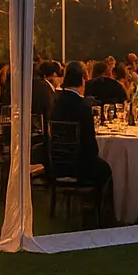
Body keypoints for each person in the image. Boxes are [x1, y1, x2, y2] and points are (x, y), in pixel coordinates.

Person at [49, 62, 114, 221]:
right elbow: (90, 145)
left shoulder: (56, 102)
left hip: (58, 164)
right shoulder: (82, 106)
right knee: (107, 169)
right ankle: (100, 211)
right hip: (80, 166)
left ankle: (86, 204)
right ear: (83, 80)